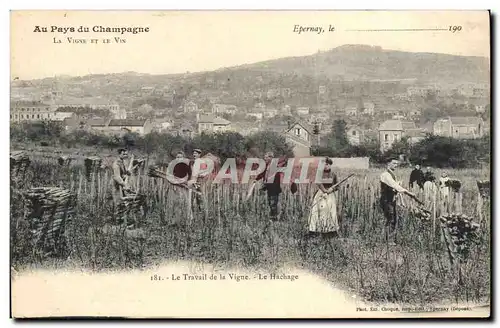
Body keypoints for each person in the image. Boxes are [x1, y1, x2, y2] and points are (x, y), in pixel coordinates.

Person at [380, 158, 416, 246]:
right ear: (388, 164)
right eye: (394, 163)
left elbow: (394, 185)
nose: (396, 165)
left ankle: (388, 239)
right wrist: (408, 192)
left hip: (391, 199)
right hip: (386, 199)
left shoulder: (391, 174)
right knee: (391, 218)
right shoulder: (385, 175)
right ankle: (388, 240)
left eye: (397, 163)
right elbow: (394, 185)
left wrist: (399, 184)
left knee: (393, 218)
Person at [307, 157, 339, 239]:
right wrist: (324, 190)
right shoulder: (319, 173)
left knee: (330, 211)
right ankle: (314, 231)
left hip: (330, 195)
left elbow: (337, 185)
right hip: (321, 194)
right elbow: (318, 182)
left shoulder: (333, 174)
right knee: (317, 211)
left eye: (327, 164)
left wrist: (332, 189)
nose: (325, 166)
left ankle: (330, 231)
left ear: (330, 165)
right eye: (324, 164)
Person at [255, 152, 283, 221]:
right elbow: (262, 173)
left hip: (274, 188)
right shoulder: (267, 165)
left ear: (271, 158)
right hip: (269, 188)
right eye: (264, 157)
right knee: (271, 203)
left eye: (266, 157)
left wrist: (265, 185)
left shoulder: (274, 166)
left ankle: (274, 220)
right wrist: (256, 179)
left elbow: (273, 177)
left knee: (273, 203)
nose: (265, 159)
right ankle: (273, 218)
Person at [111, 148, 132, 225]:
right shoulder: (116, 164)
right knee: (118, 203)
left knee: (123, 202)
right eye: (123, 154)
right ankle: (117, 223)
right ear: (119, 154)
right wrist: (124, 184)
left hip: (121, 186)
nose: (125, 155)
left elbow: (123, 172)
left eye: (126, 154)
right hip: (116, 186)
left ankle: (122, 222)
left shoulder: (122, 162)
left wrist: (127, 172)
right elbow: (117, 177)